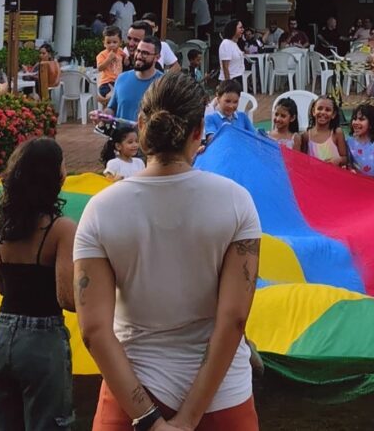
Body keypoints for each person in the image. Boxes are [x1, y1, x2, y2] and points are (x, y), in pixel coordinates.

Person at [73, 72, 261, 430]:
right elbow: (234, 319)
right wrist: (188, 419)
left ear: (141, 125)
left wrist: (150, 419)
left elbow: (94, 329)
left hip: (131, 398)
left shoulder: (102, 209)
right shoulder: (236, 202)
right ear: (197, 132)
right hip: (222, 397)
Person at [0, 138, 77, 429]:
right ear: (54, 176)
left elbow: (0, 286)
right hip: (43, 338)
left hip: (0, 335)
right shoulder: (60, 228)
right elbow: (67, 298)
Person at [106, 38, 162, 126]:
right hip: (121, 138)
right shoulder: (122, 78)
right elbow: (112, 108)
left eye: (145, 53)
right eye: (138, 51)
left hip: (147, 139)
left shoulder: (164, 83)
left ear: (157, 57)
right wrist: (103, 116)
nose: (139, 56)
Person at [296, 96, 348, 167]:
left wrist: (339, 160)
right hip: (314, 176)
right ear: (313, 112)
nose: (323, 112)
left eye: (328, 110)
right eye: (320, 108)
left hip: (334, 175)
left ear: (333, 114)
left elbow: (345, 158)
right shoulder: (306, 136)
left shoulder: (337, 133)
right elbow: (303, 161)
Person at [96, 26, 128, 109]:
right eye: (108, 42)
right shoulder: (102, 55)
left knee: (118, 100)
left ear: (120, 42)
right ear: (104, 43)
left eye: (115, 42)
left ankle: (109, 117)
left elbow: (126, 59)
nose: (112, 45)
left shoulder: (120, 51)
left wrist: (126, 60)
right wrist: (108, 59)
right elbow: (100, 68)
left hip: (118, 81)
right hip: (106, 83)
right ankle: (104, 118)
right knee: (110, 100)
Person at [217, 19, 246, 90]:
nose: (243, 30)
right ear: (233, 29)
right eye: (240, 28)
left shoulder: (234, 43)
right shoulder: (226, 44)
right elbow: (225, 66)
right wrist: (229, 84)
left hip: (238, 78)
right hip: (231, 79)